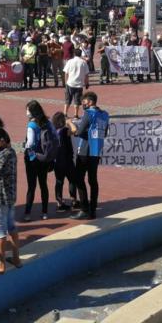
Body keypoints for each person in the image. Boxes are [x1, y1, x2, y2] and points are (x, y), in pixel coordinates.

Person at [66, 91, 107, 220]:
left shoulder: (88, 114)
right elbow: (104, 132)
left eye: (83, 102)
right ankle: (93, 209)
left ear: (89, 102)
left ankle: (84, 209)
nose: (82, 104)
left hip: (84, 151)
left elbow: (78, 132)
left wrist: (70, 123)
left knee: (79, 179)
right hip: (96, 151)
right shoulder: (105, 114)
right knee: (93, 180)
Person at [0, 128, 21, 274]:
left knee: (0, 231)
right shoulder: (12, 152)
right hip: (11, 197)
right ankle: (16, 259)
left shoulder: (1, 155)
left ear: (1, 140)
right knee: (12, 228)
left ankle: (1, 264)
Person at [23, 100, 54, 221]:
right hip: (44, 157)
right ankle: (45, 212)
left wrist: (24, 147)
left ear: (32, 112)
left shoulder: (31, 125)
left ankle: (27, 213)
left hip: (32, 158)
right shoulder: (47, 122)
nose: (26, 112)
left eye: (28, 110)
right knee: (43, 184)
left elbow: (30, 142)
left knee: (31, 186)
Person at [51, 112, 76, 212]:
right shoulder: (64, 130)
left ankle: (59, 202)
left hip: (57, 161)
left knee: (59, 181)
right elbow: (74, 130)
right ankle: (74, 200)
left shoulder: (54, 131)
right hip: (67, 160)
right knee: (72, 180)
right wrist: (70, 122)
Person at [63, 48, 90, 118]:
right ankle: (76, 114)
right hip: (79, 85)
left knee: (67, 99)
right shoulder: (83, 62)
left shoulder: (70, 61)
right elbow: (86, 75)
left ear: (74, 54)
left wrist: (66, 82)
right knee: (77, 100)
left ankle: (65, 113)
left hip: (70, 83)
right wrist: (87, 83)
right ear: (81, 54)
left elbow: (66, 73)